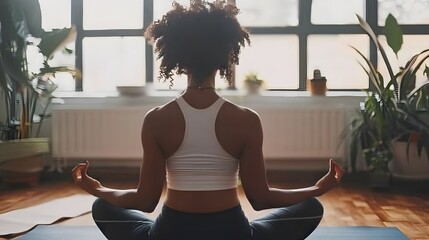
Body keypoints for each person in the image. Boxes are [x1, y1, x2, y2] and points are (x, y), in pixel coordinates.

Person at [71, 1, 344, 240]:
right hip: (232, 233)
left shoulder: (156, 119)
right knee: (312, 207)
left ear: (177, 58)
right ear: (227, 56)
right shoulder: (247, 120)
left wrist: (98, 188)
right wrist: (318, 188)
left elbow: (145, 201)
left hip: (170, 233)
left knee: (102, 206)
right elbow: (261, 199)